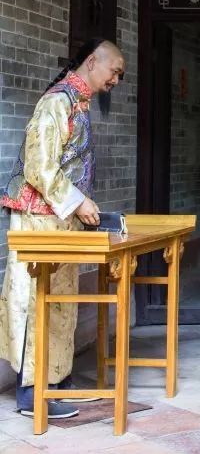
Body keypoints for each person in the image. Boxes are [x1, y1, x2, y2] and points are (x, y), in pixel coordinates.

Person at [0, 38, 125, 418]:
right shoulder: (56, 102)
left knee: (61, 301)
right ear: (93, 62)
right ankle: (31, 391)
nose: (116, 80)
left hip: (60, 219)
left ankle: (56, 379)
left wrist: (78, 206)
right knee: (33, 301)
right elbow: (39, 166)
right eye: (114, 71)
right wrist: (79, 201)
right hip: (37, 220)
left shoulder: (77, 102)